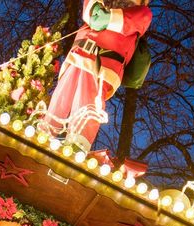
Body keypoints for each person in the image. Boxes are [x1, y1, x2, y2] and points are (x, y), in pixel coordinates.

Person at [40, 0, 153, 147]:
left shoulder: (143, 12)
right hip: (80, 53)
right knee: (63, 91)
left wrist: (108, 18)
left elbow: (132, 19)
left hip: (105, 63)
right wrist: (97, 11)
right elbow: (90, 8)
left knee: (89, 97)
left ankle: (78, 143)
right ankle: (46, 130)